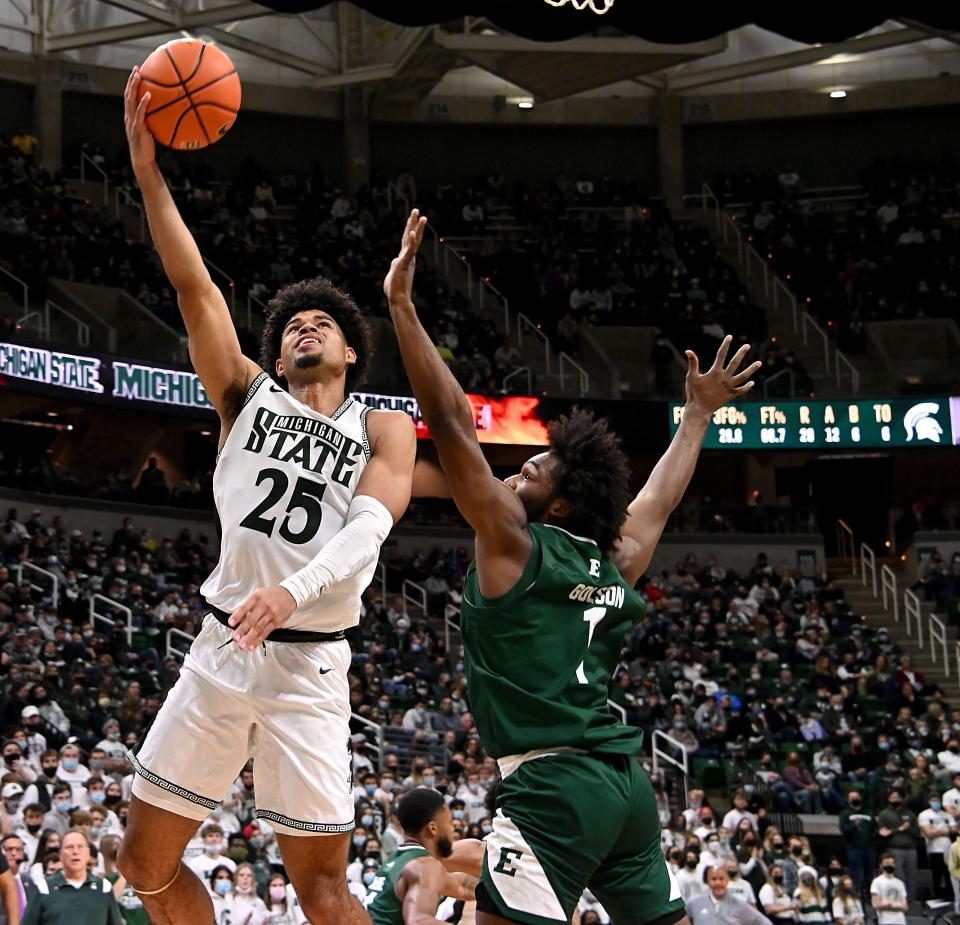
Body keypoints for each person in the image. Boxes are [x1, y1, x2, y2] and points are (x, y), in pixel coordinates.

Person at [385, 208, 760, 925]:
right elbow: (655, 500)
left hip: (551, 782)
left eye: (531, 472)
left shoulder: (512, 543)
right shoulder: (616, 557)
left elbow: (453, 420)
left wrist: (403, 306)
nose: (516, 474)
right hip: (623, 787)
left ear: (559, 506)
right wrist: (697, 417)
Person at [117, 68, 417, 925]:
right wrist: (147, 172)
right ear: (277, 357)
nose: (304, 327)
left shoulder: (383, 427)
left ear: (352, 353)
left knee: (322, 890)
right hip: (221, 650)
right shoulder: (247, 396)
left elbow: (370, 524)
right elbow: (195, 286)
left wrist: (293, 589)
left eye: (322, 322)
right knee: (142, 861)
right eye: (291, 325)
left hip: (311, 662)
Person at [363, 788, 477, 925]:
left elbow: (461, 886)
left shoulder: (400, 859)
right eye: (450, 823)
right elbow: (419, 922)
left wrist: (502, 884)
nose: (453, 830)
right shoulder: (424, 866)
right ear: (433, 828)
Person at [22, 829, 119, 925]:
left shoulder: (104, 887)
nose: (75, 851)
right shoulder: (44, 888)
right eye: (69, 847)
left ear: (88, 853)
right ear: (61, 855)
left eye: (80, 846)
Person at [687, 867, 773, 925]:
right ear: (707, 881)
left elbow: (764, 922)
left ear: (727, 880)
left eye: (721, 879)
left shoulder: (740, 905)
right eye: (714, 879)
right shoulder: (694, 902)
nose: (718, 882)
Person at [869, 855, 907, 925]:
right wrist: (897, 905)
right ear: (881, 865)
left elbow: (904, 906)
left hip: (901, 921)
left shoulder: (900, 883)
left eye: (891, 863)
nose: (889, 865)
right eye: (887, 863)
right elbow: (875, 904)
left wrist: (889, 904)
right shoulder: (877, 881)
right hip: (885, 920)